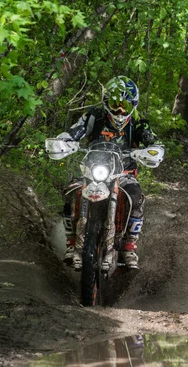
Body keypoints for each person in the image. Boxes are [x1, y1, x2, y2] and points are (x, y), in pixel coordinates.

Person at [58, 76, 162, 270]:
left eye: (124, 104)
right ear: (106, 102)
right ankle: (72, 244)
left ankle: (129, 247)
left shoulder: (139, 122)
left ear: (133, 104)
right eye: (115, 104)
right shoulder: (94, 116)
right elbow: (74, 132)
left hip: (124, 173)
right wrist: (64, 141)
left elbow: (153, 141)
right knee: (71, 191)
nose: (119, 109)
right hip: (92, 170)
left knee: (136, 197)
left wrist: (152, 150)